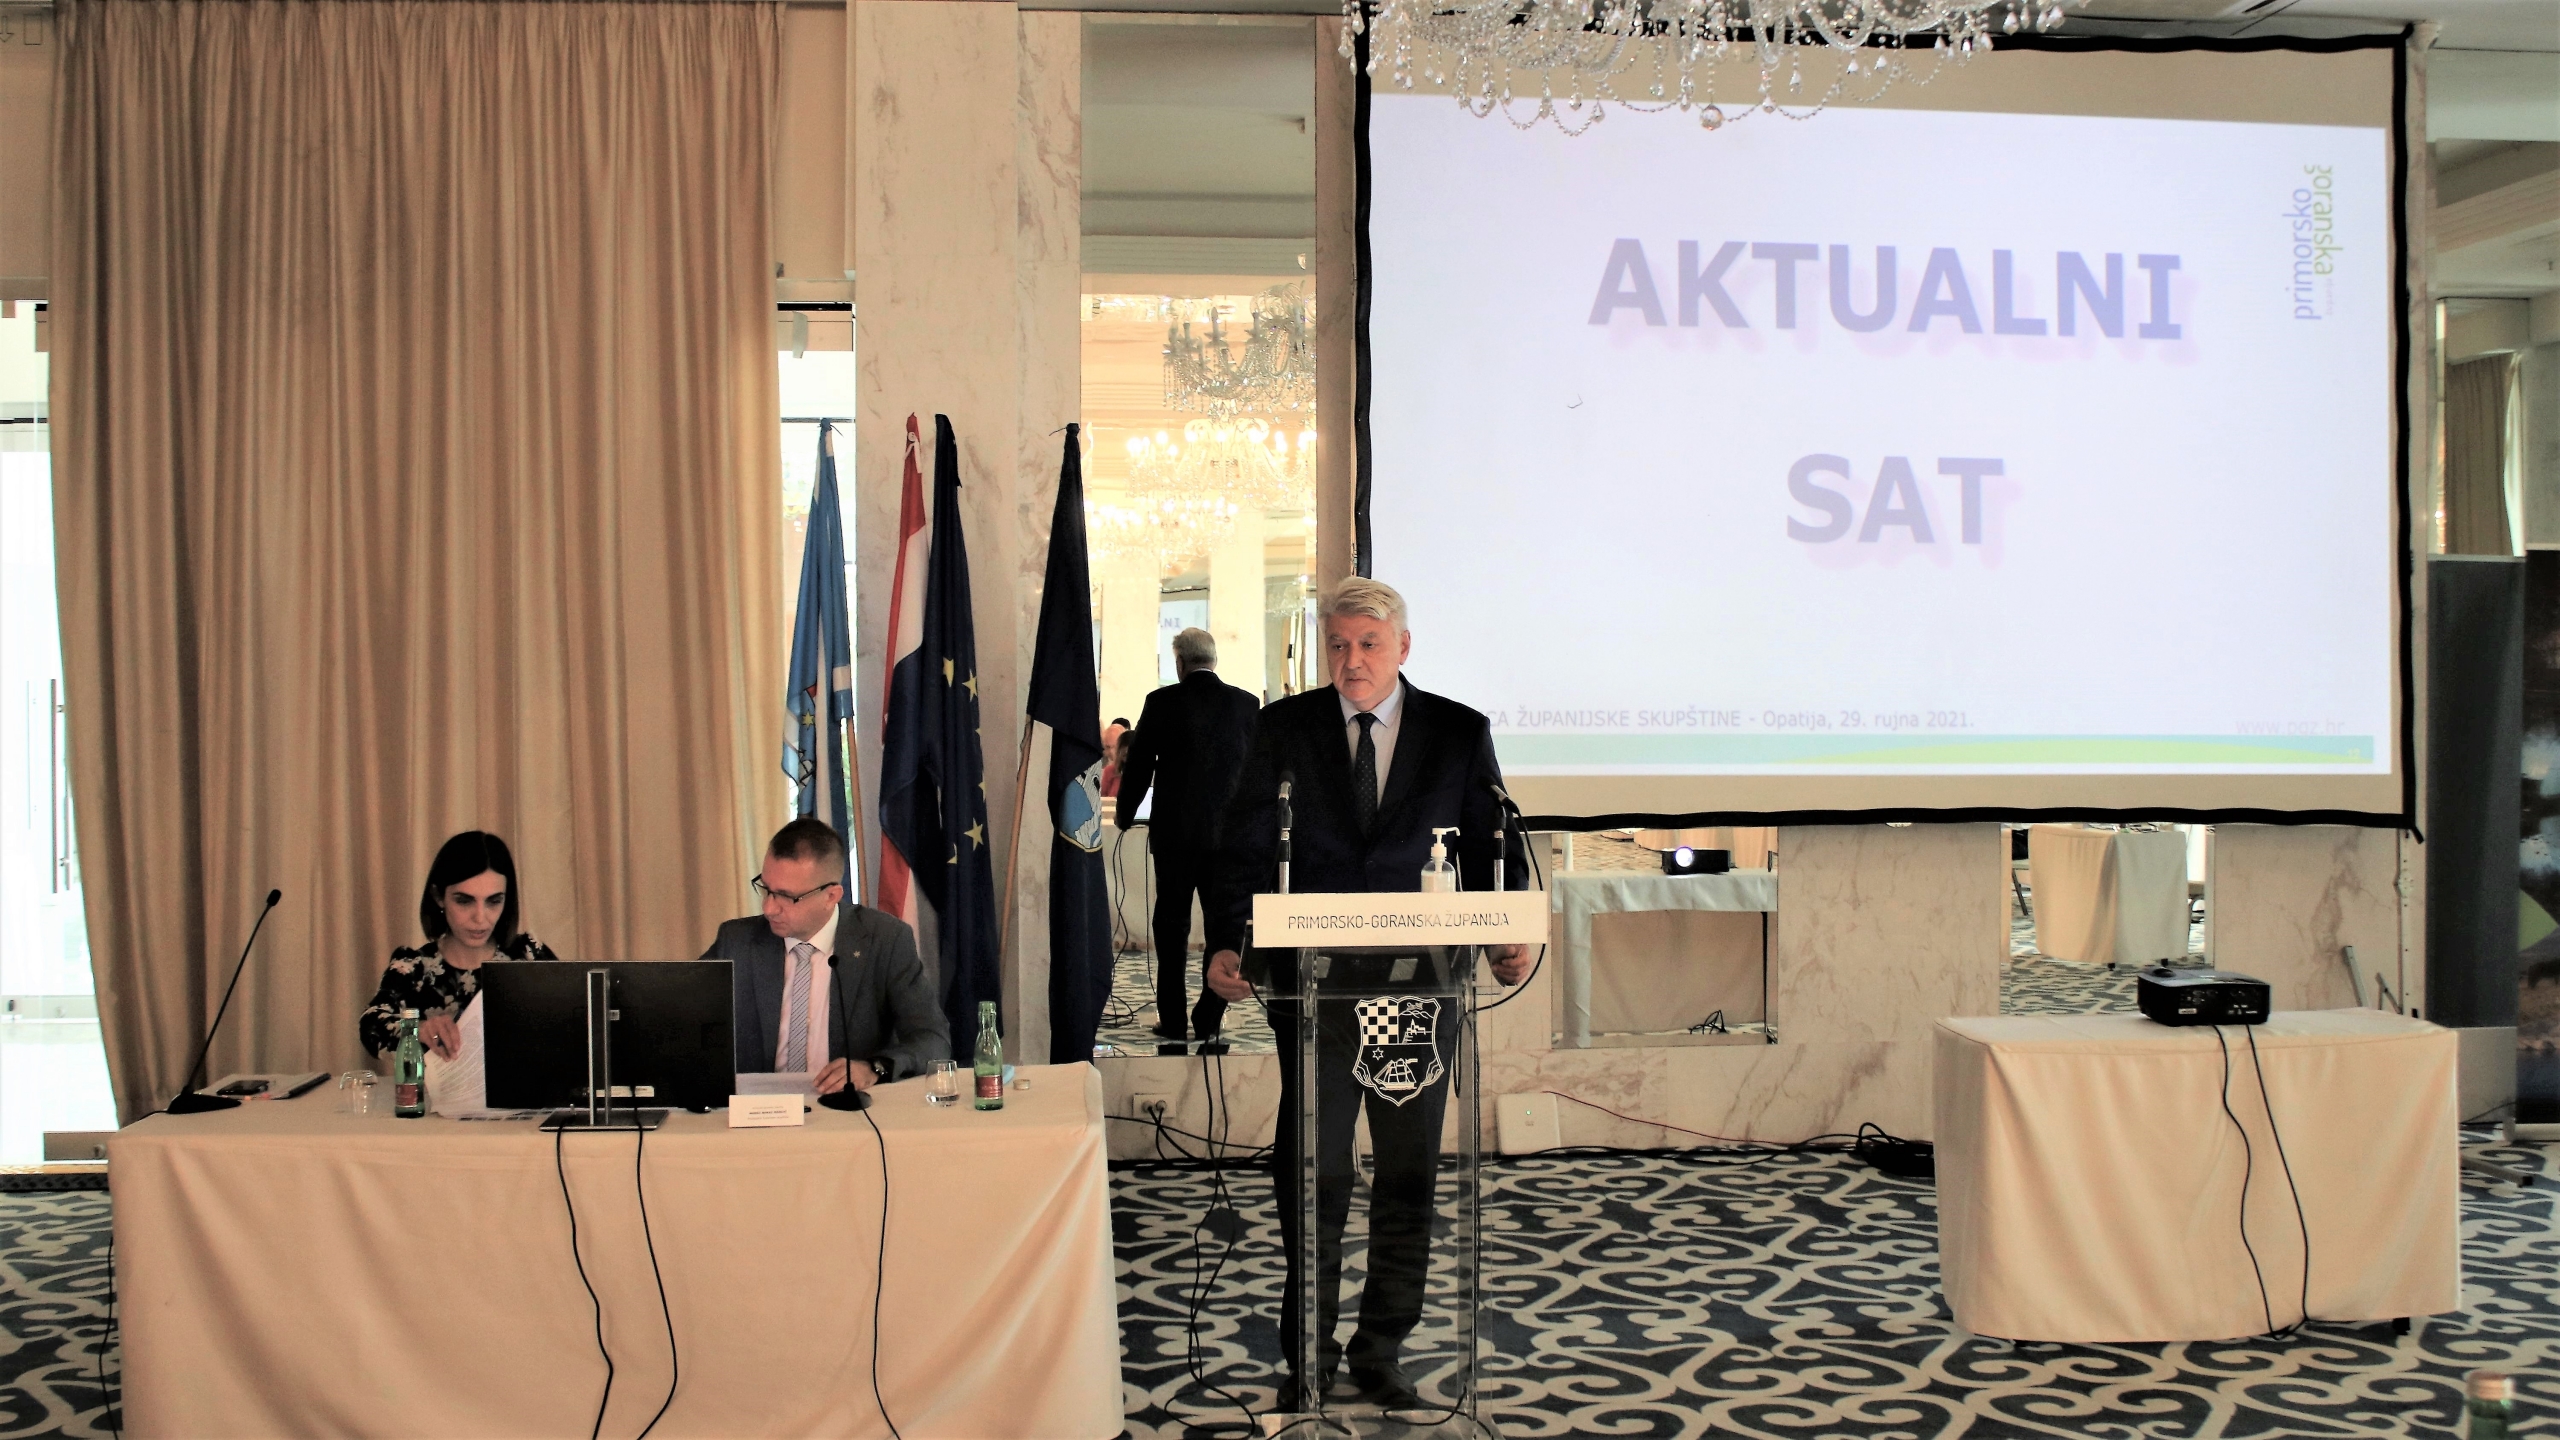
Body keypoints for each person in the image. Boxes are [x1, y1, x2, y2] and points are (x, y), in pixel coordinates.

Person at [1202, 578, 1531, 1410]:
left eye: (1369, 645)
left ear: (1403, 648)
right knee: (1312, 1174)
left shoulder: (1458, 732)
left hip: (1419, 987)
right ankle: (1307, 1360)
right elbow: (1242, 846)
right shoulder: (1284, 729)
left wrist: (1508, 933)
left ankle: (1382, 1350)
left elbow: (1494, 841)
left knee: (1407, 1172)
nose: (1352, 661)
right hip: (1313, 990)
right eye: (1339, 645)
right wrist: (1227, 939)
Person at [702, 817, 949, 1096]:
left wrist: (873, 1068)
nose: (769, 908)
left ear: (831, 895)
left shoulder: (884, 940)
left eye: (785, 896)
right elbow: (684, 1017)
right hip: (758, 1107)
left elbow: (932, 1039)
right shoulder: (737, 941)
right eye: (766, 889)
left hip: (844, 1107)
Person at [1116, 627, 1260, 1045]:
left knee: (1171, 929)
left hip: (1175, 840)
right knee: (1224, 930)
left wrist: (1125, 815)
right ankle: (1209, 1016)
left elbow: (1139, 766)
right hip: (1229, 842)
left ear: (1179, 663)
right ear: (1213, 660)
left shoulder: (1161, 702)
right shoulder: (1246, 704)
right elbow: (1257, 773)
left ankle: (1174, 1020)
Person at [360, 831, 556, 1059]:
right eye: (464, 901)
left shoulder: (528, 954)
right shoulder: (413, 967)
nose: (480, 918)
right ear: (438, 897)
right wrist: (418, 1029)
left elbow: (574, 1015)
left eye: (494, 901)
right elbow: (371, 1025)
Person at [1100, 717, 1131, 798]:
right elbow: (1102, 797)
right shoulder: (1107, 769)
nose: (1111, 752)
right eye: (1107, 747)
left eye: (1114, 747)